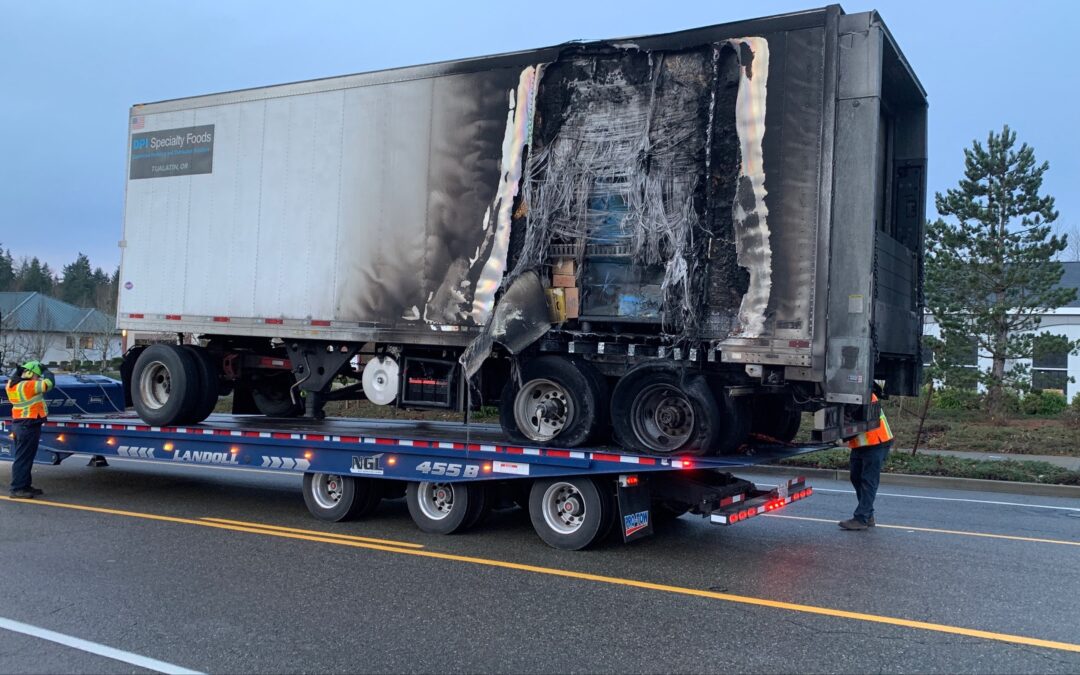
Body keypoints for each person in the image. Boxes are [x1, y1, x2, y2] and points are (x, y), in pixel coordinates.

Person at [838, 387, 893, 531]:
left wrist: (838, 436)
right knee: (856, 477)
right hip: (861, 445)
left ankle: (861, 518)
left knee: (868, 481)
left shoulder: (863, 395)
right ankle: (868, 515)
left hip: (877, 442)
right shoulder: (853, 395)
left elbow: (856, 424)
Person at [5, 360, 55, 499]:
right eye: (36, 375)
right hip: (27, 425)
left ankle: (25, 486)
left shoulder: (12, 384)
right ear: (29, 374)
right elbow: (49, 383)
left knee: (25, 458)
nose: (37, 378)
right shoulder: (27, 385)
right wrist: (46, 371)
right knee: (23, 459)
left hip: (22, 424)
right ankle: (17, 489)